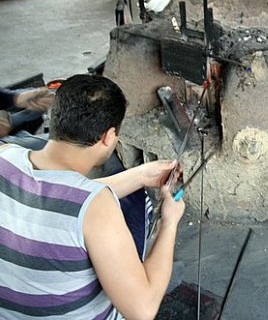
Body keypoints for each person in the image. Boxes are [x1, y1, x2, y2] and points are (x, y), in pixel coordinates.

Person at [0, 74, 185, 318]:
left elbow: (61, 195)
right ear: (109, 136)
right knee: (139, 205)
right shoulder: (97, 207)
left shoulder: (6, 155)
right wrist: (169, 223)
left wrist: (139, 175)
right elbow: (143, 310)